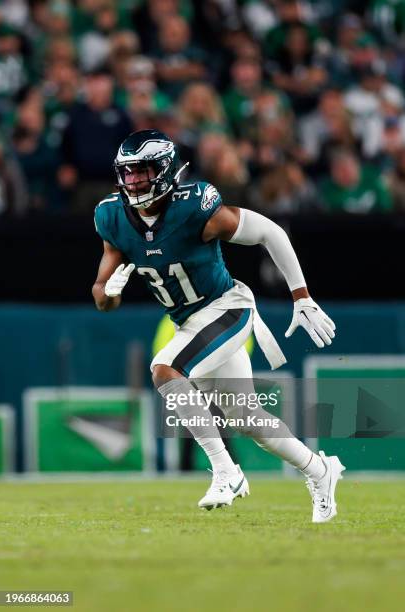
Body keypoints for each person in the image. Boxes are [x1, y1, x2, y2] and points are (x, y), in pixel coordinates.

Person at [92, 129, 345, 523]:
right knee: (247, 418)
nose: (134, 181)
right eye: (128, 173)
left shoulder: (194, 207)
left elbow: (269, 232)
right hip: (188, 322)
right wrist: (109, 291)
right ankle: (320, 470)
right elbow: (102, 298)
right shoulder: (111, 216)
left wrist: (301, 295)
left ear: (164, 170)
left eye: (142, 172)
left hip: (228, 306)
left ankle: (226, 471)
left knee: (165, 370)